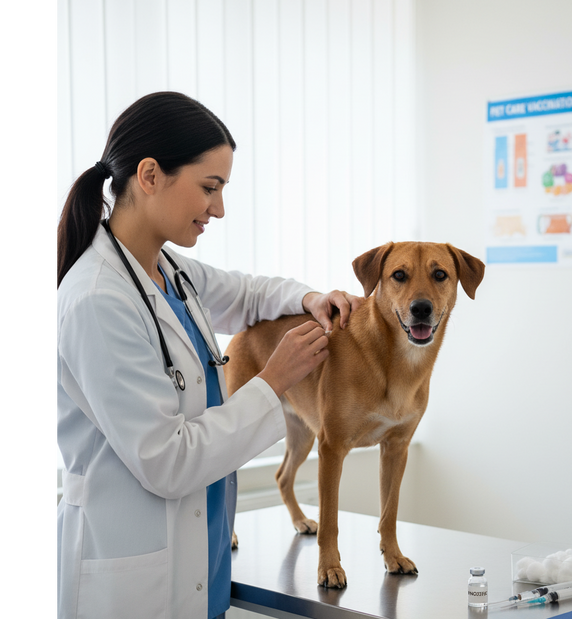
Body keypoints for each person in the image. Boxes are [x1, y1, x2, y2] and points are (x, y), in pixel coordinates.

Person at [55, 91, 359, 619]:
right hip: (133, 584)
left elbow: (245, 295)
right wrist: (274, 381)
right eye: (209, 188)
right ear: (150, 176)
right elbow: (167, 461)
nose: (218, 208)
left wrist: (309, 298)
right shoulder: (97, 299)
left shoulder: (166, 269)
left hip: (200, 564)